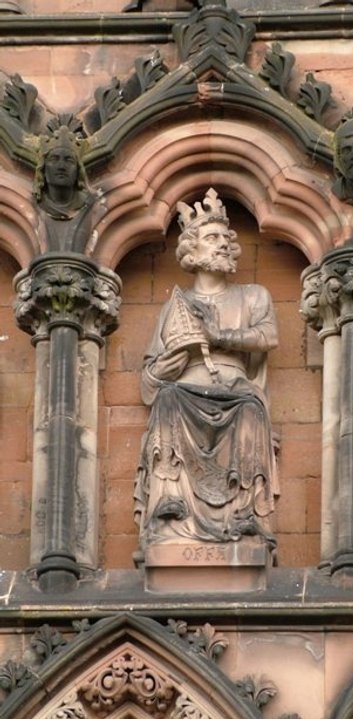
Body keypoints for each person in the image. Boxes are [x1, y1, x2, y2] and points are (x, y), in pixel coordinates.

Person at [134, 188, 279, 558]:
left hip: (235, 389)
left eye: (225, 238)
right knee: (167, 398)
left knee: (249, 407)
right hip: (185, 388)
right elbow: (150, 377)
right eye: (212, 238)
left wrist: (218, 336)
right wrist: (169, 364)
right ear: (191, 251)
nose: (223, 245)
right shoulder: (175, 305)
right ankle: (170, 503)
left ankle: (246, 513)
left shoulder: (252, 295)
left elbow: (268, 336)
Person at [34, 125, 100, 254]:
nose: (61, 166)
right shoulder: (38, 204)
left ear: (78, 170)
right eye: (54, 159)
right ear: (43, 169)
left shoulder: (89, 203)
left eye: (69, 160)